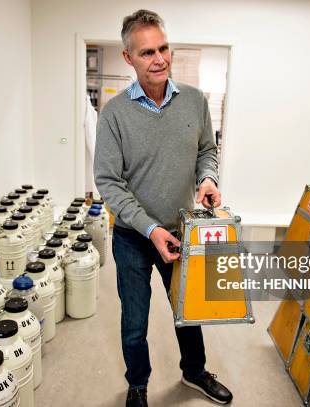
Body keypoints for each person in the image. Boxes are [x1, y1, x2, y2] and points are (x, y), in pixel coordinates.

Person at [94, 9, 233, 407]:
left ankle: (194, 372)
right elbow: (108, 182)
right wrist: (151, 230)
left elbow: (207, 150)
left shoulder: (194, 101)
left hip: (181, 227)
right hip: (133, 238)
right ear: (128, 58)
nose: (159, 59)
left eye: (164, 48)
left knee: (189, 312)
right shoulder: (115, 114)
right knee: (134, 324)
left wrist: (208, 179)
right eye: (147, 52)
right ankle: (138, 384)